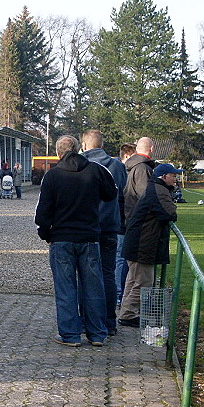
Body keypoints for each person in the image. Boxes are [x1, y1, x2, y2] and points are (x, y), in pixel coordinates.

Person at [35, 135, 117, 347]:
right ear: (80, 149)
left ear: (58, 153)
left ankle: (70, 334)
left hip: (61, 238)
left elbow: (43, 212)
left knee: (66, 287)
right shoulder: (96, 170)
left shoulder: (53, 176)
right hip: (89, 237)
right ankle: (97, 333)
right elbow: (111, 193)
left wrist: (45, 234)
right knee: (93, 286)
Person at [118, 163, 181, 328]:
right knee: (143, 282)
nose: (176, 179)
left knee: (133, 281)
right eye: (173, 176)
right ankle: (128, 315)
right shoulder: (158, 190)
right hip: (142, 244)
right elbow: (169, 213)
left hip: (137, 242)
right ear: (164, 177)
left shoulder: (154, 188)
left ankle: (127, 313)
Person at [81, 129, 128, 336]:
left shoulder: (80, 164)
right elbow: (123, 193)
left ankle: (86, 321)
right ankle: (109, 322)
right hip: (110, 226)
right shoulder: (117, 166)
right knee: (108, 275)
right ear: (102, 145)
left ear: (84, 145)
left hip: (87, 226)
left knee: (85, 275)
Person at [115, 143, 137, 305]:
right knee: (120, 259)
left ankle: (119, 293)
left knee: (120, 259)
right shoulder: (123, 173)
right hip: (121, 224)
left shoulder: (121, 171)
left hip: (120, 222)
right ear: (128, 156)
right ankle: (118, 294)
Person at [123, 137, 156, 222]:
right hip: (140, 220)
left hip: (131, 215)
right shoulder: (143, 168)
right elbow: (145, 196)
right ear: (152, 149)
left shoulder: (131, 166)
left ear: (137, 149)